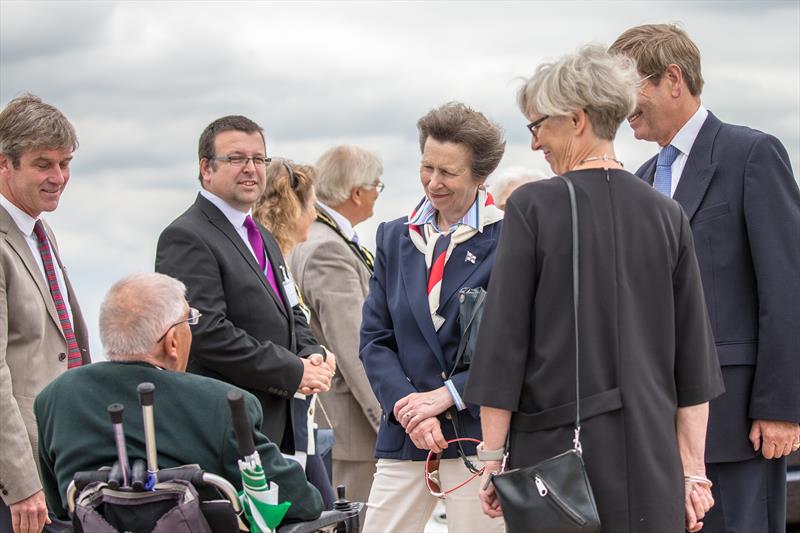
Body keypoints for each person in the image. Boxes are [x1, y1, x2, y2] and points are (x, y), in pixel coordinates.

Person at [464, 45, 725, 533]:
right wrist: (693, 472)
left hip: (558, 463)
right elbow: (694, 363)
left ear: (578, 119)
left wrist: (493, 459)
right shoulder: (666, 213)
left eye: (538, 125)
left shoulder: (534, 207)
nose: (536, 143)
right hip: (652, 460)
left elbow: (503, 347)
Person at [610, 24, 800, 532]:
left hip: (738, 423)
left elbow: (786, 288)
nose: (619, 107)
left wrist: (783, 407)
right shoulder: (642, 179)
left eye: (626, 92)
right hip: (654, 425)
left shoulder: (752, 155)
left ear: (673, 78)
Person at [34, 272, 324, 524]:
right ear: (173, 341)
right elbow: (299, 502)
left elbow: (61, 507)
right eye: (190, 319)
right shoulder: (223, 406)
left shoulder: (54, 399)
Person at [359, 102, 506, 533]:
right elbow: (375, 339)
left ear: (480, 176)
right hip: (406, 435)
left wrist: (449, 395)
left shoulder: (510, 238)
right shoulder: (393, 236)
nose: (433, 183)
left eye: (449, 173)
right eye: (427, 167)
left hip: (476, 434)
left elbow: (516, 343)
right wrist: (410, 410)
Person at [155, 115, 335, 455]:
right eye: (236, 159)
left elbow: (291, 309)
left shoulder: (262, 237)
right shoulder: (186, 237)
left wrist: (312, 354)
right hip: (226, 426)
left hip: (277, 426)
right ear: (206, 168)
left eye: (258, 159)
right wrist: (292, 370)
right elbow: (206, 333)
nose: (250, 168)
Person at [0, 93, 91, 533]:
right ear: (4, 164)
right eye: (43, 164)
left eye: (65, 163)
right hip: (17, 487)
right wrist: (19, 484)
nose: (58, 177)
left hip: (61, 462)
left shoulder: (41, 231)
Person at [290, 145, 384, 504]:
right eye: (377, 185)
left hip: (337, 424)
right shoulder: (329, 249)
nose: (378, 193)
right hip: (353, 431)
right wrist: (387, 420)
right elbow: (355, 346)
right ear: (357, 193)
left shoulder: (313, 236)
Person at [253, 158, 336, 509]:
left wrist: (314, 352)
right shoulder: (262, 260)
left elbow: (296, 325)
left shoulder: (279, 261)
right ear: (292, 207)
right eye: (312, 206)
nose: (315, 216)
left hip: (301, 419)